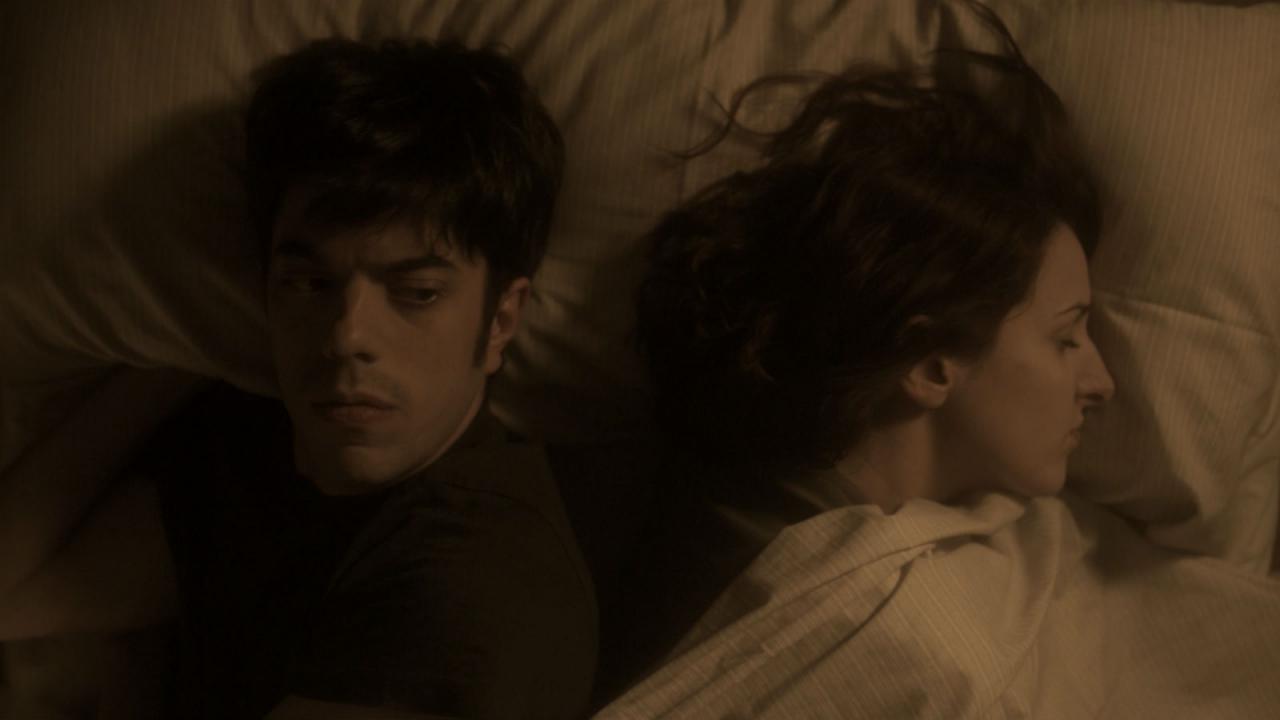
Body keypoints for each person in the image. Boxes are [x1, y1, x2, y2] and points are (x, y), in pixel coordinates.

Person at [0, 38, 596, 719]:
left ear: (501, 321)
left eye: (417, 292)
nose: (346, 336)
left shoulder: (473, 574)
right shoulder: (268, 458)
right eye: (309, 283)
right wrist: (180, 350)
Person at [596, 5, 1120, 709]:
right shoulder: (770, 574)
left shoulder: (767, 504)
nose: (1102, 383)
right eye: (1067, 338)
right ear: (931, 364)